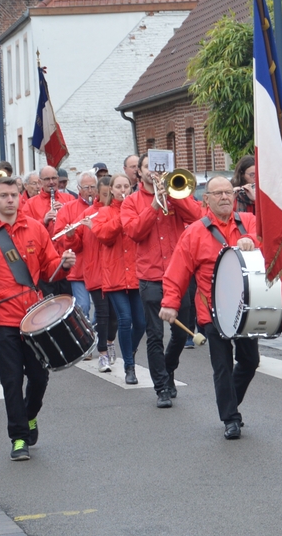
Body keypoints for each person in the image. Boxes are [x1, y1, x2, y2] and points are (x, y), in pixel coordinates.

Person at [0, 177, 76, 461]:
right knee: (11, 379)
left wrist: (63, 265)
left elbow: (49, 268)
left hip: (34, 317)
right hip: (0, 319)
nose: (10, 200)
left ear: (20, 198)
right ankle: (19, 438)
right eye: (4, 196)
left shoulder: (36, 229)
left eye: (14, 195)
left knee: (39, 376)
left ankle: (30, 414)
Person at [160, 176, 259, 436]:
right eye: (218, 194)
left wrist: (251, 239)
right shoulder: (194, 232)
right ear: (207, 199)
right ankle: (231, 419)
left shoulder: (248, 222)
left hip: (247, 309)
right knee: (222, 365)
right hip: (211, 311)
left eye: (228, 192)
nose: (225, 197)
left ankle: (229, 400)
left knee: (250, 361)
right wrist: (170, 303)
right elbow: (177, 270)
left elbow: (269, 239)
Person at [123, 153, 203, 407]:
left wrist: (173, 196)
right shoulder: (131, 202)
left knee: (181, 334)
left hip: (180, 276)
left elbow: (197, 216)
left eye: (156, 168)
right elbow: (134, 232)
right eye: (147, 167)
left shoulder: (177, 194)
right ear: (140, 172)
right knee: (155, 334)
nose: (152, 171)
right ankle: (161, 388)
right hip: (151, 276)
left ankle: (168, 370)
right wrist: (156, 204)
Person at [94, 174, 145, 385]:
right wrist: (122, 214)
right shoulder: (104, 212)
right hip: (114, 275)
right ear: (112, 190)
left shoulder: (137, 210)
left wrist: (130, 212)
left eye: (126, 185)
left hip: (136, 273)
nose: (123, 189)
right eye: (118, 186)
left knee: (141, 323)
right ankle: (129, 367)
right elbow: (103, 235)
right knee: (125, 319)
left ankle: (128, 351)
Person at [53, 172, 99, 330]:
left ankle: (93, 333)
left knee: (102, 310)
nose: (90, 190)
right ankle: (85, 341)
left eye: (93, 187)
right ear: (79, 189)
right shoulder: (68, 209)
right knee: (83, 307)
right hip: (78, 267)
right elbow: (59, 237)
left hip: (98, 267)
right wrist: (71, 237)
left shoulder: (102, 207)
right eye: (86, 187)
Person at [86, 177, 119, 372]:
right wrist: (71, 234)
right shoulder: (88, 214)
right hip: (96, 272)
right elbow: (75, 245)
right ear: (98, 193)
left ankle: (110, 342)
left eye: (110, 194)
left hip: (113, 272)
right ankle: (103, 355)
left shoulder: (119, 213)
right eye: (104, 194)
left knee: (115, 317)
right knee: (103, 315)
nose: (107, 197)